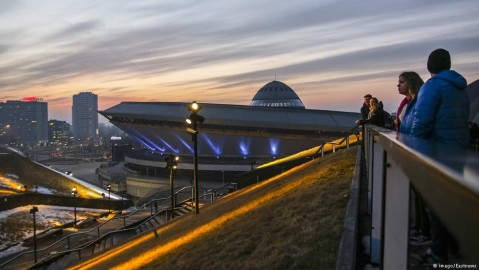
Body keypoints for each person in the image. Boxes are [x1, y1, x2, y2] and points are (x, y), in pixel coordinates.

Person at [410, 48, 469, 264]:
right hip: (458, 150)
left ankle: (437, 253)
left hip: (436, 151)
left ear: (429, 66)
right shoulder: (459, 88)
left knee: (435, 203)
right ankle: (452, 247)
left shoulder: (432, 86)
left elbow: (422, 120)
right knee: (451, 201)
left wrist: (413, 144)